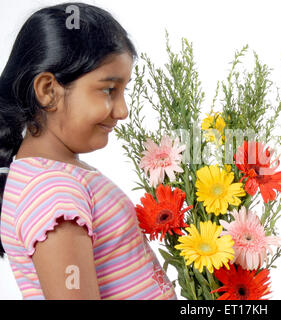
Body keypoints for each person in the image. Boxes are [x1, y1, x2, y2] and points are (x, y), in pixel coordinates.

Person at [0, 2, 176, 300]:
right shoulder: (52, 191)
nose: (122, 111)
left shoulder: (60, 175)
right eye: (109, 90)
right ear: (47, 90)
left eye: (124, 91)